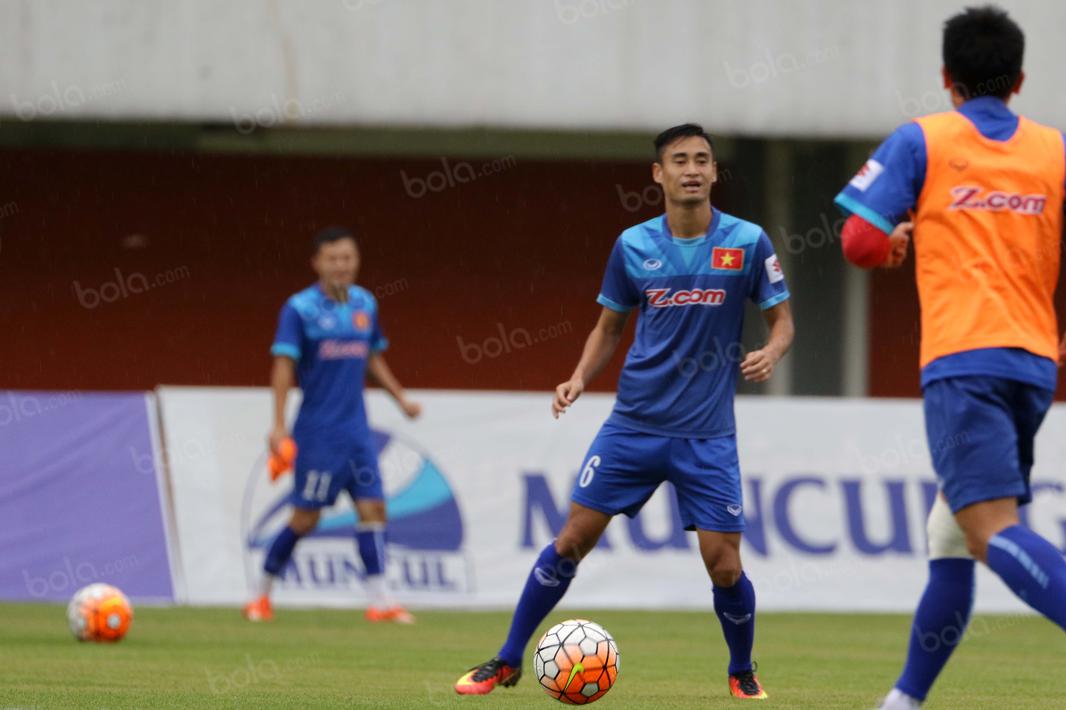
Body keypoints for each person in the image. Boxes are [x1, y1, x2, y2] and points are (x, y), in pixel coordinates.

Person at [835, 6, 1066, 709]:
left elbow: (854, 243)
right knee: (949, 533)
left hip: (961, 360)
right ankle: (902, 701)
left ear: (945, 79)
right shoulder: (1057, 149)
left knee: (988, 530)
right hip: (1032, 365)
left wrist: (890, 248)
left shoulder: (922, 140)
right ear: (1019, 80)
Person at [454, 123, 794, 700]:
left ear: (714, 172)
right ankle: (507, 659)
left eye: (702, 160)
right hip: (632, 426)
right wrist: (579, 376)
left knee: (725, 566)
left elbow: (782, 320)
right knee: (569, 542)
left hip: (706, 435)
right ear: (657, 174)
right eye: (679, 160)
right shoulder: (633, 245)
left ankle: (741, 670)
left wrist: (772, 351)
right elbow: (608, 327)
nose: (692, 169)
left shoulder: (749, 241)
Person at [244, 226, 422, 624]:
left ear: (356, 260)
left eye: (348, 258)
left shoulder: (366, 303)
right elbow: (283, 364)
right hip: (317, 432)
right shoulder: (299, 308)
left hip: (357, 431)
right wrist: (277, 425)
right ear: (317, 263)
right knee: (305, 518)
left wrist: (401, 398)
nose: (342, 265)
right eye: (333, 258)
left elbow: (373, 356)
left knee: (374, 507)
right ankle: (260, 594)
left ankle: (381, 601)